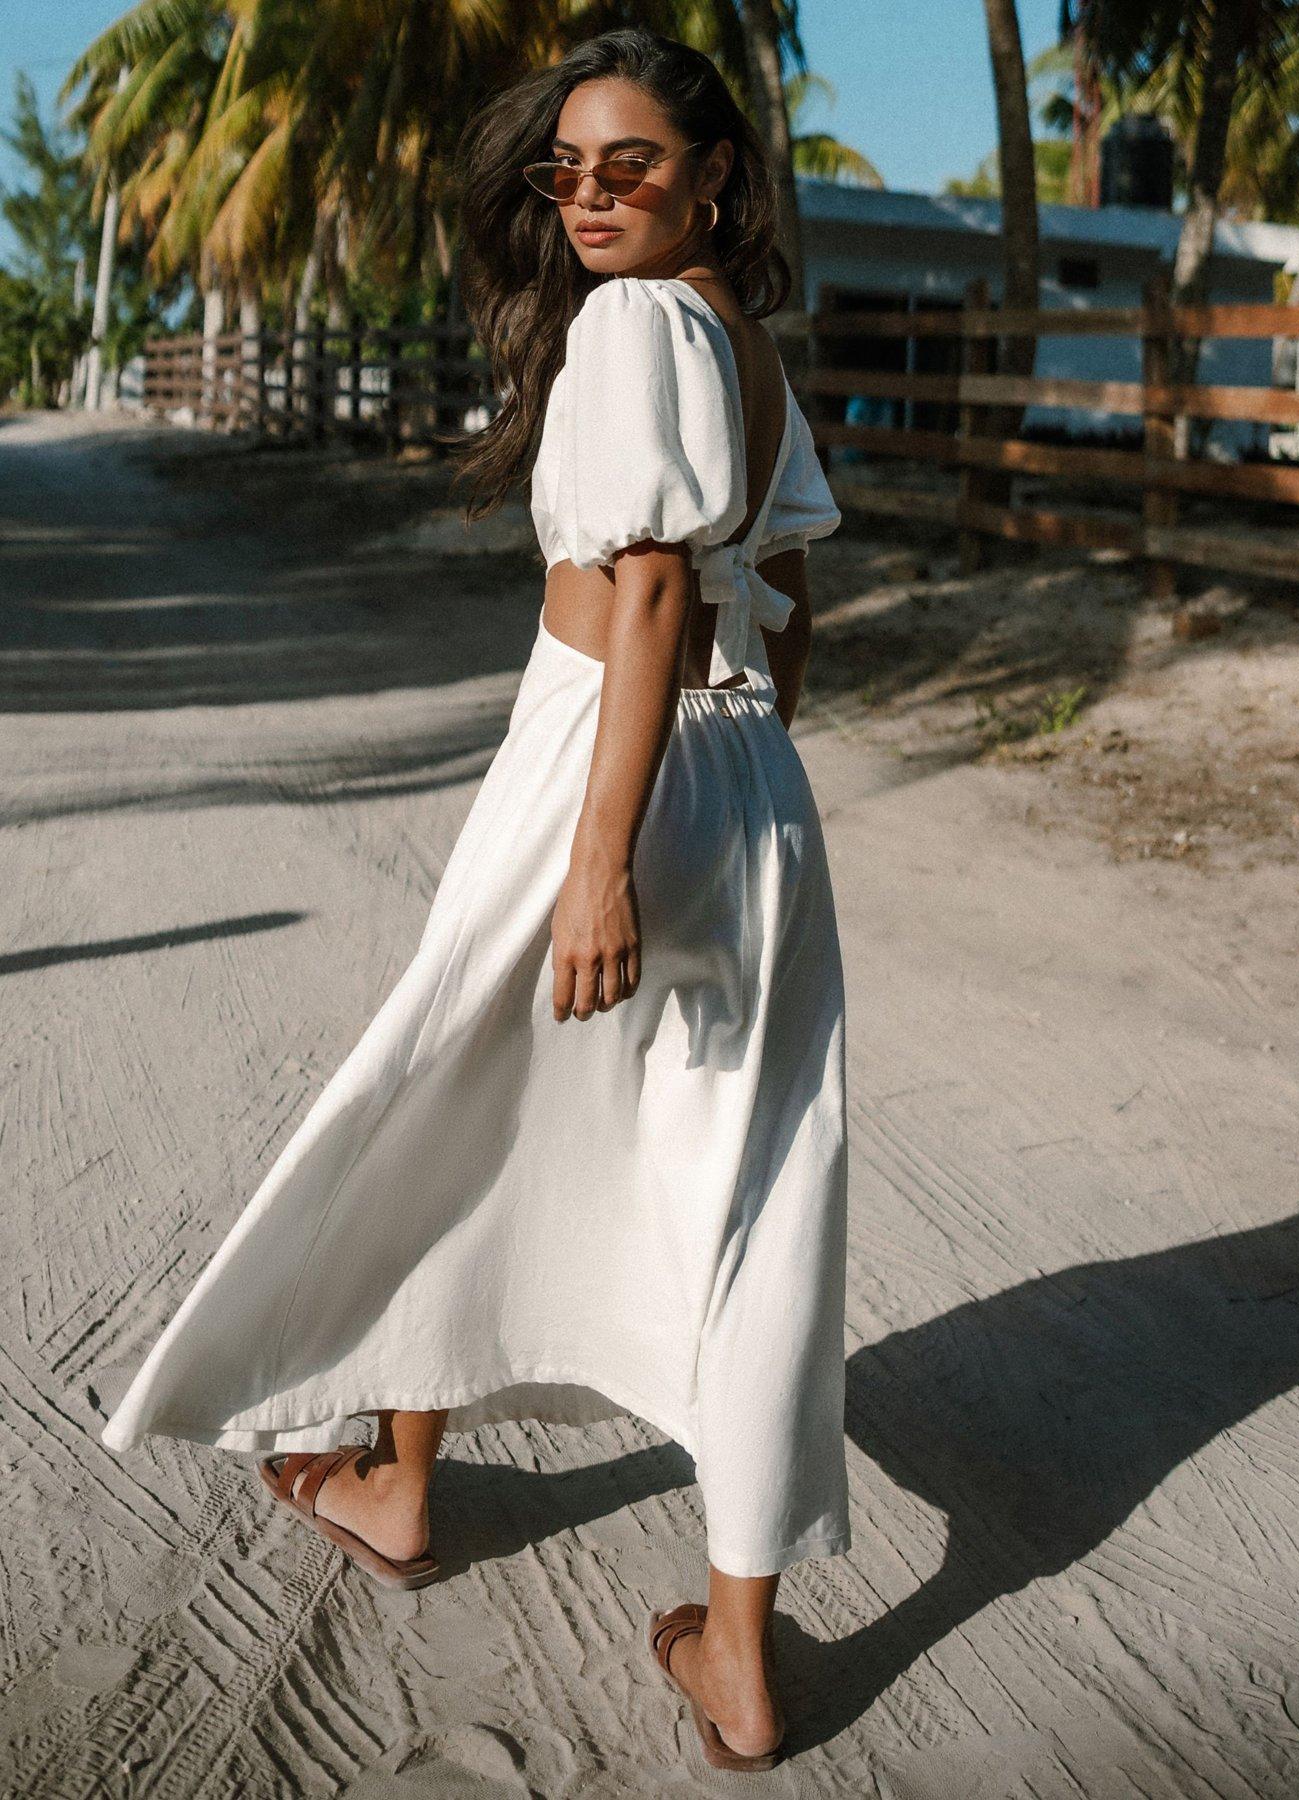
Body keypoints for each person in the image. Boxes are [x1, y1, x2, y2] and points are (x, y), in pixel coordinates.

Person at [100, 27, 848, 1775]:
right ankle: (727, 1653)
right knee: (752, 1186)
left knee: (452, 1104)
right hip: (740, 780)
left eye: (632, 165)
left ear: (712, 173)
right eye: (565, 171)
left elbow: (652, 584)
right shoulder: (740, 336)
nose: (589, 197)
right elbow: (786, 581)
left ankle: (396, 1480)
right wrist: (747, 782)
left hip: (606, 758)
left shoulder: (629, 325)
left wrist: (603, 862)